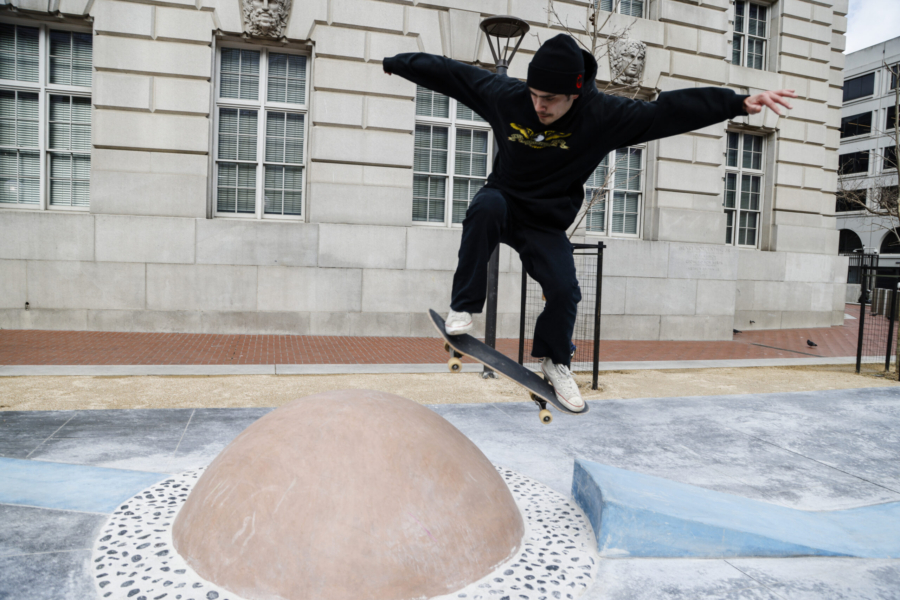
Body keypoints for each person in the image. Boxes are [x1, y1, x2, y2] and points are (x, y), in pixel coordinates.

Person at [383, 34, 794, 412]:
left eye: (550, 99)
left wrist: (736, 103)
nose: (539, 105)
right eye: (534, 95)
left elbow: (666, 112)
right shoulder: (507, 97)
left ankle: (555, 361)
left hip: (545, 223)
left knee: (565, 291)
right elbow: (451, 74)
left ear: (575, 94)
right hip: (504, 201)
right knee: (484, 206)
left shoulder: (603, 115)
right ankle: (464, 307)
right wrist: (397, 62)